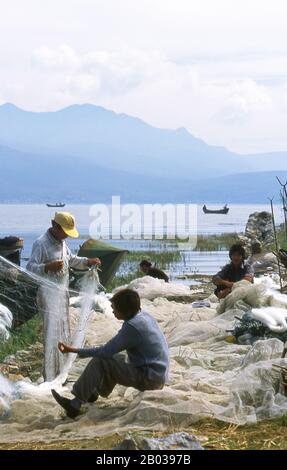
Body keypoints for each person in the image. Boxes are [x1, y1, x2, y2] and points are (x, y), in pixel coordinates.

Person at [51, 288, 169, 419]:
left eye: (115, 309)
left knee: (101, 360)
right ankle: (92, 392)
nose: (112, 311)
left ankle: (75, 404)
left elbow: (104, 351)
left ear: (125, 311)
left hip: (150, 379)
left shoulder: (133, 327)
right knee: (116, 357)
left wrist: (72, 350)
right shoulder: (143, 316)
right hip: (158, 375)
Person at [26, 212, 101, 381]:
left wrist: (88, 261)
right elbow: (30, 268)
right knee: (50, 334)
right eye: (65, 231)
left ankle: (60, 371)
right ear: (55, 226)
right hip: (47, 296)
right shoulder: (41, 243)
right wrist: (47, 267)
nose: (67, 234)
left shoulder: (62, 242)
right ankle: (49, 374)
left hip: (61, 294)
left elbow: (71, 260)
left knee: (62, 332)